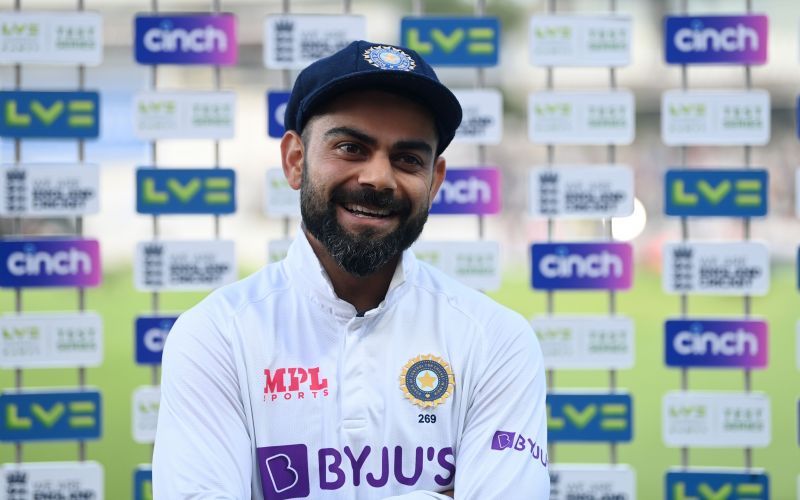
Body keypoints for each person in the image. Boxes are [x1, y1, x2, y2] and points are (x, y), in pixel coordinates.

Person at [152, 40, 549, 499]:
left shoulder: (496, 340)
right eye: (350, 147)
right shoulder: (216, 335)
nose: (378, 178)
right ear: (295, 161)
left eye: (407, 159)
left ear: (435, 181)